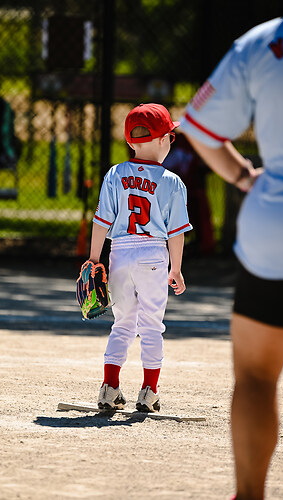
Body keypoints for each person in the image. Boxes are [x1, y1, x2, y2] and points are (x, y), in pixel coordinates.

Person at [179, 17, 283, 500]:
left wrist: (243, 176)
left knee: (258, 376)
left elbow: (199, 129)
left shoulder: (265, 42)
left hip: (277, 230)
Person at [88, 103, 192, 412]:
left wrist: (94, 259)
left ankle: (109, 387)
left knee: (122, 323)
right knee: (151, 325)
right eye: (170, 137)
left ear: (130, 141)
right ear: (163, 141)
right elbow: (176, 231)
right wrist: (176, 268)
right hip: (153, 253)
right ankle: (149, 391)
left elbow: (101, 220)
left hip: (119, 252)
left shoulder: (115, 173)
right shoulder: (172, 182)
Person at [163, 132, 215, 255]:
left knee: (199, 208)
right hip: (171, 193)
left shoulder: (188, 143)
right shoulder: (156, 152)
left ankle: (203, 246)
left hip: (191, 189)